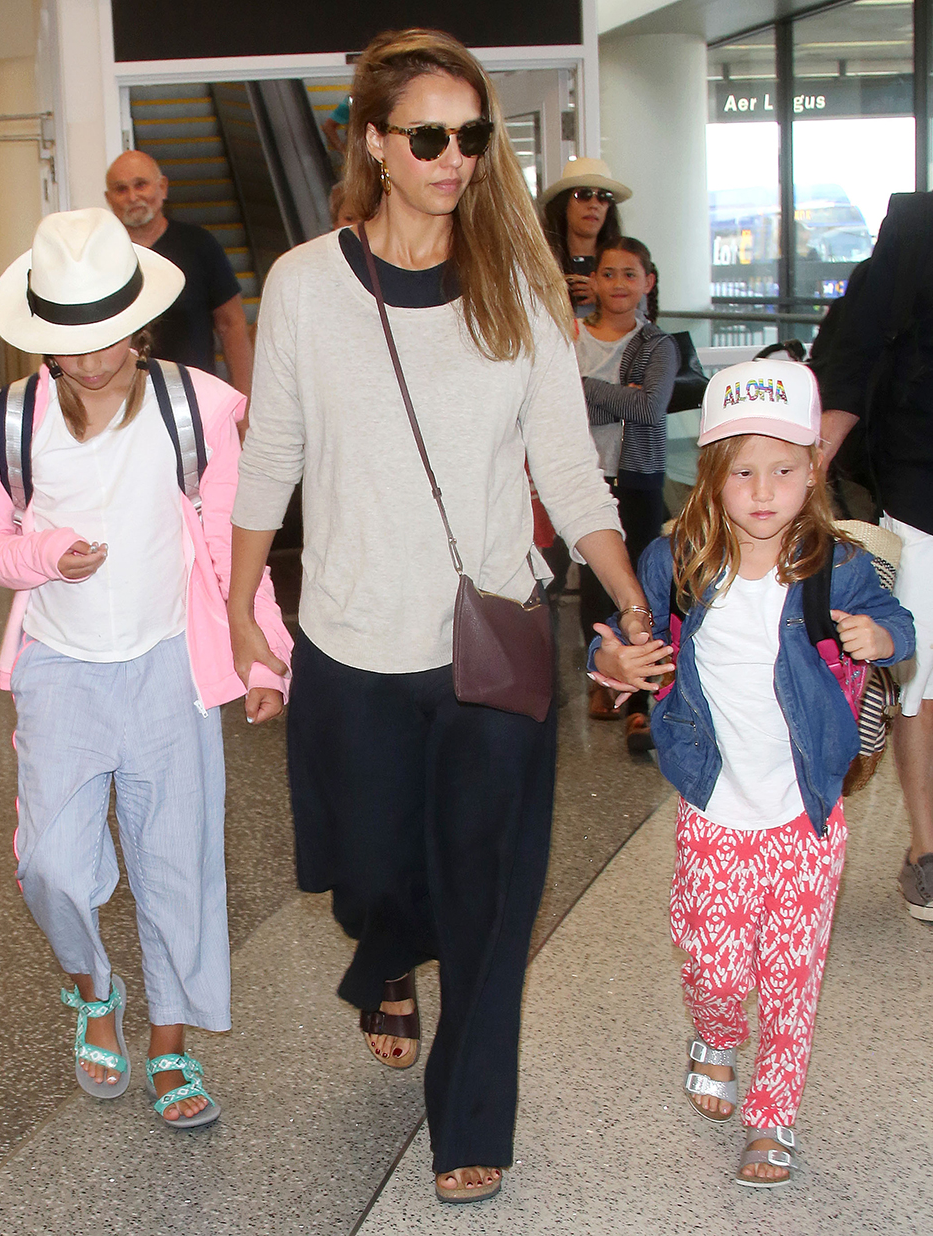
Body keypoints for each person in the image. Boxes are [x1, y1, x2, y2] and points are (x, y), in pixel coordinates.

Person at [228, 28, 669, 1205]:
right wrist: (237, 603)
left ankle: (472, 1115)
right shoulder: (307, 285)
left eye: (472, 136)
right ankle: (383, 954)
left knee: (486, 889)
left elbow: (570, 476)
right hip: (352, 639)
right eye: (428, 135)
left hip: (493, 640)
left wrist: (629, 604)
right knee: (367, 871)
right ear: (375, 143)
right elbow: (272, 453)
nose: (454, 157)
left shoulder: (519, 288)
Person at [0, 208, 292, 1128]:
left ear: (139, 322)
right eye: (69, 342)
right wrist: (45, 554)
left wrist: (264, 658)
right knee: (52, 868)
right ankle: (91, 991)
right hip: (59, 672)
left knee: (175, 865)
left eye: (106, 335)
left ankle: (170, 1046)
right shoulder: (12, 419)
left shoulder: (195, 408)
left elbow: (236, 547)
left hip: (166, 670)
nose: (91, 357)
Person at [591, 360, 913, 1187]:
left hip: (806, 815)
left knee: (791, 974)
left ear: (813, 474)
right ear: (713, 475)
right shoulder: (681, 562)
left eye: (785, 469)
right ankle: (712, 1032)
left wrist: (884, 638)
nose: (764, 490)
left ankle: (773, 1121)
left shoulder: (835, 567)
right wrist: (618, 660)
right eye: (743, 470)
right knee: (712, 962)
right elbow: (617, 634)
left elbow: (895, 618)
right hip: (712, 807)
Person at [816, 192, 933, 918]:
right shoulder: (917, 232)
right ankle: (928, 850)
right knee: (920, 680)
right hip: (923, 496)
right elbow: (853, 354)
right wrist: (802, 481)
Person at [577, 237, 678, 747]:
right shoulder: (567, 334)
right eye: (609, 273)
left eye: (630, 274)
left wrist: (583, 388)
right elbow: (548, 404)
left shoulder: (657, 345)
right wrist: (620, 397)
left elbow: (649, 410)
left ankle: (643, 696)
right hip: (579, 478)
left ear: (648, 283)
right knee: (592, 583)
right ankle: (602, 677)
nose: (619, 284)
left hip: (637, 478)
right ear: (593, 281)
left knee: (644, 582)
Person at [105, 150, 253, 398]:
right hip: (122, 404)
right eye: (121, 189)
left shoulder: (199, 245)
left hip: (195, 399)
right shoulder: (100, 256)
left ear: (162, 187)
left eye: (141, 185)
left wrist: (246, 403)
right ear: (109, 199)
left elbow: (232, 324)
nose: (132, 197)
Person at [540, 157, 631, 317]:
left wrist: (607, 298)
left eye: (604, 197)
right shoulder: (539, 263)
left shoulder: (628, 265)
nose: (594, 204)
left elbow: (643, 328)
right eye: (584, 195)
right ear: (564, 204)